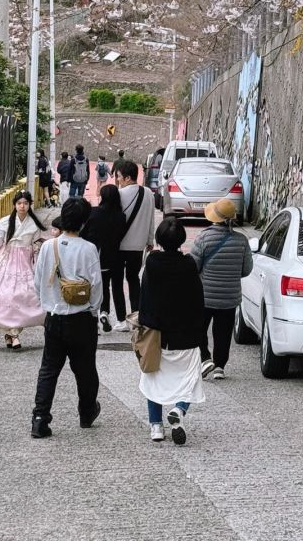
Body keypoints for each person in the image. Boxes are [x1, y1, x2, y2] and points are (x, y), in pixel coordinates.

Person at [31, 197, 102, 438]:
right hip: (82, 319)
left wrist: (49, 302)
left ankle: (40, 418)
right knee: (85, 370)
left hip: (54, 318)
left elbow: (37, 281)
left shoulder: (48, 247)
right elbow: (96, 287)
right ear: (83, 222)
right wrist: (93, 310)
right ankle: (86, 412)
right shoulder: (89, 249)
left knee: (49, 369)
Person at [137, 217, 206, 444]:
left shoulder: (152, 263)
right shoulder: (189, 265)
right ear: (182, 240)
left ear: (158, 239)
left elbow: (143, 296)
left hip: (156, 335)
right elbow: (198, 301)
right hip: (185, 335)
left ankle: (156, 426)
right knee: (189, 378)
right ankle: (179, 410)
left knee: (153, 379)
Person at [0, 190, 47, 349]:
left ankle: (11, 333)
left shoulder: (34, 223)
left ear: (29, 205)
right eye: (19, 203)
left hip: (25, 262)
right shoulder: (5, 221)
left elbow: (36, 244)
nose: (22, 206)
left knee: (24, 296)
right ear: (14, 205)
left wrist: (37, 254)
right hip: (6, 260)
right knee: (6, 296)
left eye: (26, 203)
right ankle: (13, 334)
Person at [190, 198, 253, 379]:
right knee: (223, 332)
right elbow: (246, 269)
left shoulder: (203, 237)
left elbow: (194, 265)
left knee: (199, 329)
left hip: (205, 295)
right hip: (229, 296)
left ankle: (205, 358)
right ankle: (220, 367)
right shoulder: (242, 241)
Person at [81, 182, 149, 332]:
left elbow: (84, 234)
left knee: (101, 287)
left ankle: (102, 313)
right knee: (117, 287)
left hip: (97, 257)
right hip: (116, 256)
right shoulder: (121, 216)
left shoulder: (94, 213)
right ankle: (121, 319)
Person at [117, 159, 157, 315]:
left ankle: (121, 318)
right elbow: (151, 218)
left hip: (119, 246)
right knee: (134, 279)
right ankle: (136, 313)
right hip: (139, 245)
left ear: (127, 178)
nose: (118, 179)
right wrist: (149, 240)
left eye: (119, 176)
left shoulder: (119, 194)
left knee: (117, 282)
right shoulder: (148, 193)